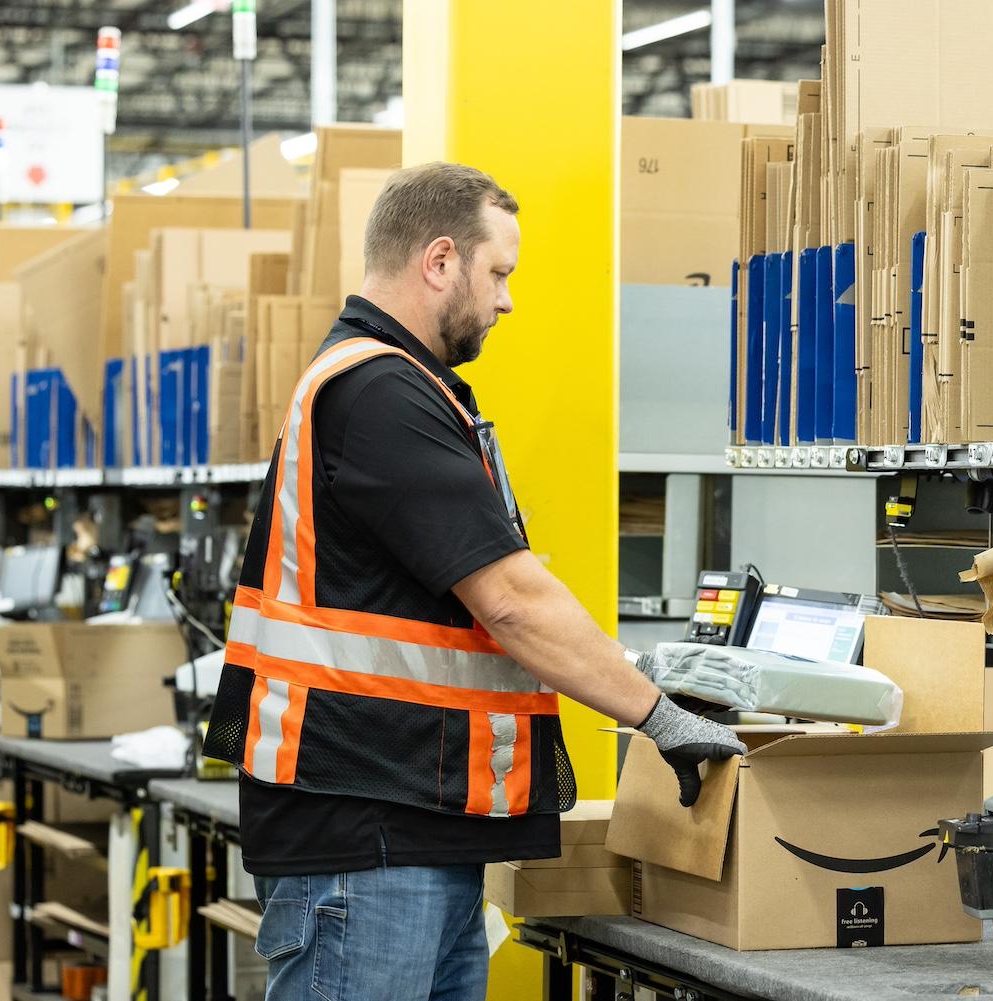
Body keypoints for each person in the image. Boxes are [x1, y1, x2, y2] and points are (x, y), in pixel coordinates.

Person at [202, 162, 744, 1001]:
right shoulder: (379, 393)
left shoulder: (399, 389)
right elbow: (512, 601)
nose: (507, 299)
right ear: (441, 260)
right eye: (500, 274)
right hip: (368, 839)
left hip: (413, 828)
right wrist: (657, 714)